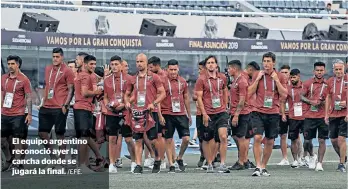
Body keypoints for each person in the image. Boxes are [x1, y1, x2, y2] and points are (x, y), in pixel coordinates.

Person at [124, 53, 166, 174]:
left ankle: (157, 159)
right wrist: (127, 102)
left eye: (141, 61)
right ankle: (138, 164)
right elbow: (127, 94)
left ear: (146, 63)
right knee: (138, 140)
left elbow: (162, 93)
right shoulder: (132, 79)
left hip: (151, 112)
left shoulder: (154, 78)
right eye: (137, 61)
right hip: (137, 113)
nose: (139, 64)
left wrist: (154, 103)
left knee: (153, 141)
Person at [248, 52, 287, 176]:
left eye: (269, 61)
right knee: (257, 137)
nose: (266, 64)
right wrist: (258, 79)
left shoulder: (280, 76)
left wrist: (277, 80)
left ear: (274, 62)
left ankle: (264, 166)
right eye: (264, 61)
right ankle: (258, 166)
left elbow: (284, 94)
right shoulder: (257, 74)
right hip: (258, 111)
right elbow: (249, 92)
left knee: (270, 141)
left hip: (273, 112)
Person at [38, 48, 74, 169]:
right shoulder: (48, 69)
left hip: (60, 107)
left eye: (57, 57)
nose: (55, 59)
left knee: (60, 134)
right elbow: (47, 86)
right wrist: (42, 101)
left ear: (62, 57)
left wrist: (65, 104)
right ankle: (53, 158)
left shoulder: (68, 71)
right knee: (42, 133)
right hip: (46, 106)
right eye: (53, 56)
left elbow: (70, 90)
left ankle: (62, 162)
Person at [195, 55, 229, 173]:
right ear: (206, 66)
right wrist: (204, 114)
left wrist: (225, 105)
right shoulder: (201, 80)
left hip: (221, 112)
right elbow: (199, 98)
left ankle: (223, 164)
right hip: (208, 113)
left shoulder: (222, 78)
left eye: (212, 62)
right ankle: (209, 163)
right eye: (208, 63)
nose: (210, 64)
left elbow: (225, 91)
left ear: (216, 65)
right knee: (207, 139)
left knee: (223, 136)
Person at [160, 59, 191, 173]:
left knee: (186, 139)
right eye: (171, 69)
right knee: (168, 139)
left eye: (175, 69)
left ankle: (180, 157)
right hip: (167, 113)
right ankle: (171, 164)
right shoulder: (162, 81)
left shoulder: (183, 81)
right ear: (167, 69)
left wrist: (189, 114)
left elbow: (186, 97)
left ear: (178, 69)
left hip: (181, 113)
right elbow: (158, 99)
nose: (173, 72)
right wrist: (160, 115)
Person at [1, 55, 32, 171]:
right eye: (8, 64)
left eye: (12, 64)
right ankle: (9, 159)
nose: (10, 66)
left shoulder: (24, 79)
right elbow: (2, 93)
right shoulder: (3, 78)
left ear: (18, 65)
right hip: (5, 113)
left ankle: (18, 162)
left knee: (18, 140)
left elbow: (29, 97)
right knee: (2, 140)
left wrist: (29, 114)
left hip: (18, 114)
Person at [73, 55, 103, 173]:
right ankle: (82, 165)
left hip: (87, 108)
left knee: (85, 137)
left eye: (95, 64)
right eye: (91, 64)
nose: (94, 66)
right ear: (85, 64)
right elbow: (85, 93)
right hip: (82, 108)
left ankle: (86, 163)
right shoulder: (85, 75)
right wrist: (97, 91)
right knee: (83, 137)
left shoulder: (89, 75)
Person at [301, 61, 328, 171]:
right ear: (314, 71)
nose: (319, 72)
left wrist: (323, 102)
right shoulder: (308, 83)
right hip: (309, 116)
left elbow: (331, 98)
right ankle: (312, 156)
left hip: (322, 116)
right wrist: (311, 102)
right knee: (307, 141)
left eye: (321, 70)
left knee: (322, 140)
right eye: (317, 70)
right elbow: (301, 96)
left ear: (324, 71)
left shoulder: (328, 84)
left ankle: (320, 163)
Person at [227, 60, 250, 170]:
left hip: (242, 113)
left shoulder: (241, 81)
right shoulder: (235, 80)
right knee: (236, 136)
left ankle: (241, 162)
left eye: (229, 68)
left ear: (234, 69)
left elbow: (242, 100)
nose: (228, 70)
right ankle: (244, 159)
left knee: (241, 138)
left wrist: (236, 115)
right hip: (234, 111)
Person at [325, 59, 347, 172]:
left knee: (341, 139)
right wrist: (326, 114)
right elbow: (328, 97)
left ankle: (341, 164)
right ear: (333, 70)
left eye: (340, 69)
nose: (338, 71)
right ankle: (343, 157)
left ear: (344, 68)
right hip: (333, 114)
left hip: (345, 114)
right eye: (336, 69)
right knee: (333, 140)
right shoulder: (330, 81)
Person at [283, 69, 306, 168]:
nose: (292, 79)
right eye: (291, 77)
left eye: (294, 77)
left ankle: (306, 157)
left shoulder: (305, 87)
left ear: (299, 76)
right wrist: (283, 114)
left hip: (304, 116)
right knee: (293, 139)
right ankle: (296, 160)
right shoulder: (287, 88)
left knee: (307, 138)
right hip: (292, 117)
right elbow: (282, 101)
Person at [192, 60, 206, 168]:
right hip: (200, 113)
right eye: (199, 69)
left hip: (212, 113)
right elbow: (194, 96)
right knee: (201, 138)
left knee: (213, 137)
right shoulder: (198, 81)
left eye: (201, 69)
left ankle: (215, 157)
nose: (199, 71)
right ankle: (203, 155)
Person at [278, 64, 291, 166]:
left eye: (286, 72)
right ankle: (285, 158)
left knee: (296, 137)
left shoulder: (294, 84)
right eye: (282, 73)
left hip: (293, 114)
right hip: (281, 113)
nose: (284, 74)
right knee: (283, 135)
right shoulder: (277, 84)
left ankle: (299, 158)